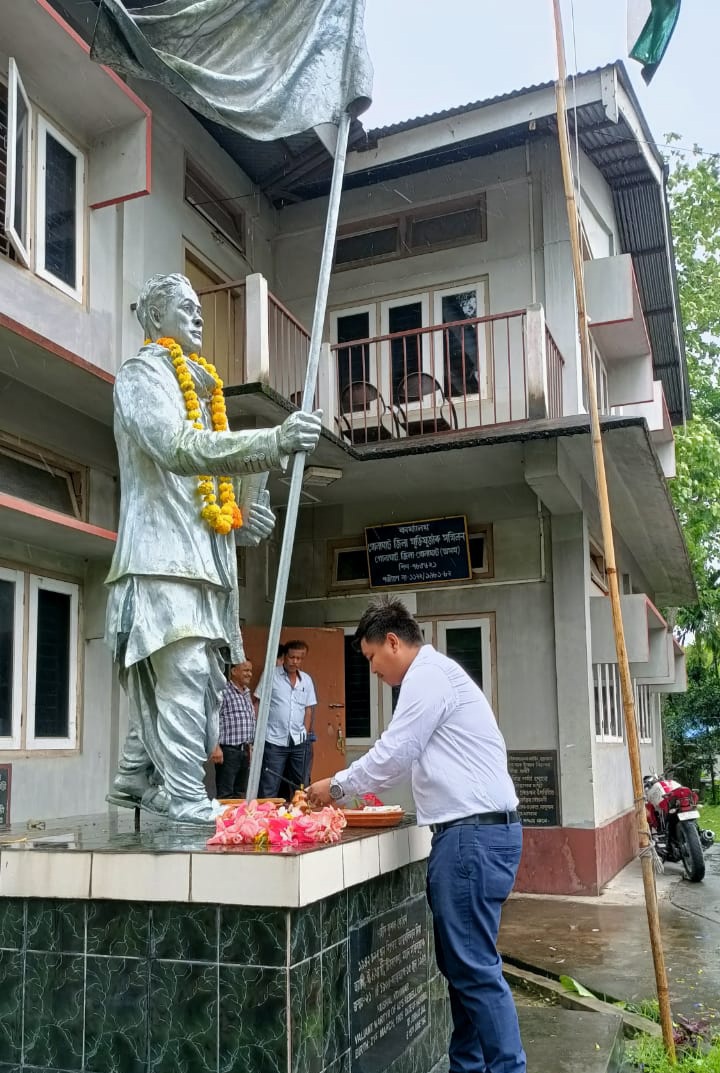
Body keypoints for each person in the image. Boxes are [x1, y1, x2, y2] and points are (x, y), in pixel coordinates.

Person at [104, 272, 322, 825]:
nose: (199, 316)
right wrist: (268, 441)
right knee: (181, 682)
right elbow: (178, 450)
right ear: (155, 318)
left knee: (196, 686)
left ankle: (133, 777)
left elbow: (221, 511)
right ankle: (181, 795)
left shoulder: (200, 392)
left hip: (204, 568)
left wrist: (252, 512)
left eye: (201, 308)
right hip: (160, 562)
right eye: (184, 307)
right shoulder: (142, 373)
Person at [308, 597, 525, 1073]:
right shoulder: (438, 677)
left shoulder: (427, 676)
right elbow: (402, 759)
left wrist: (336, 786)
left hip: (472, 838)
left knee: (474, 970)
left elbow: (394, 753)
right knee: (463, 970)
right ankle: (467, 1067)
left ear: (392, 641)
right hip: (475, 834)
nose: (372, 670)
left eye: (370, 658)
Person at [256, 640, 317, 798]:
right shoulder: (271, 675)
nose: (295, 661)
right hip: (274, 740)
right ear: (285, 657)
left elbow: (308, 709)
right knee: (270, 784)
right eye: (291, 657)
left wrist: (305, 733)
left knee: (301, 785)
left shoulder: (306, 680)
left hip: (299, 741)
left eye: (299, 658)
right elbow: (259, 704)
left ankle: (302, 819)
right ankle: (267, 820)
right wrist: (256, 735)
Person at [215, 661, 256, 799]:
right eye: (245, 670)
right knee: (225, 793)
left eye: (250, 671)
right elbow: (213, 719)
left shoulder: (246, 693)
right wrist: (215, 746)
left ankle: (238, 821)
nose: (249, 674)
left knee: (240, 793)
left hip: (244, 750)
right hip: (228, 751)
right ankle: (224, 820)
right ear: (233, 671)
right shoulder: (223, 692)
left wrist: (250, 746)